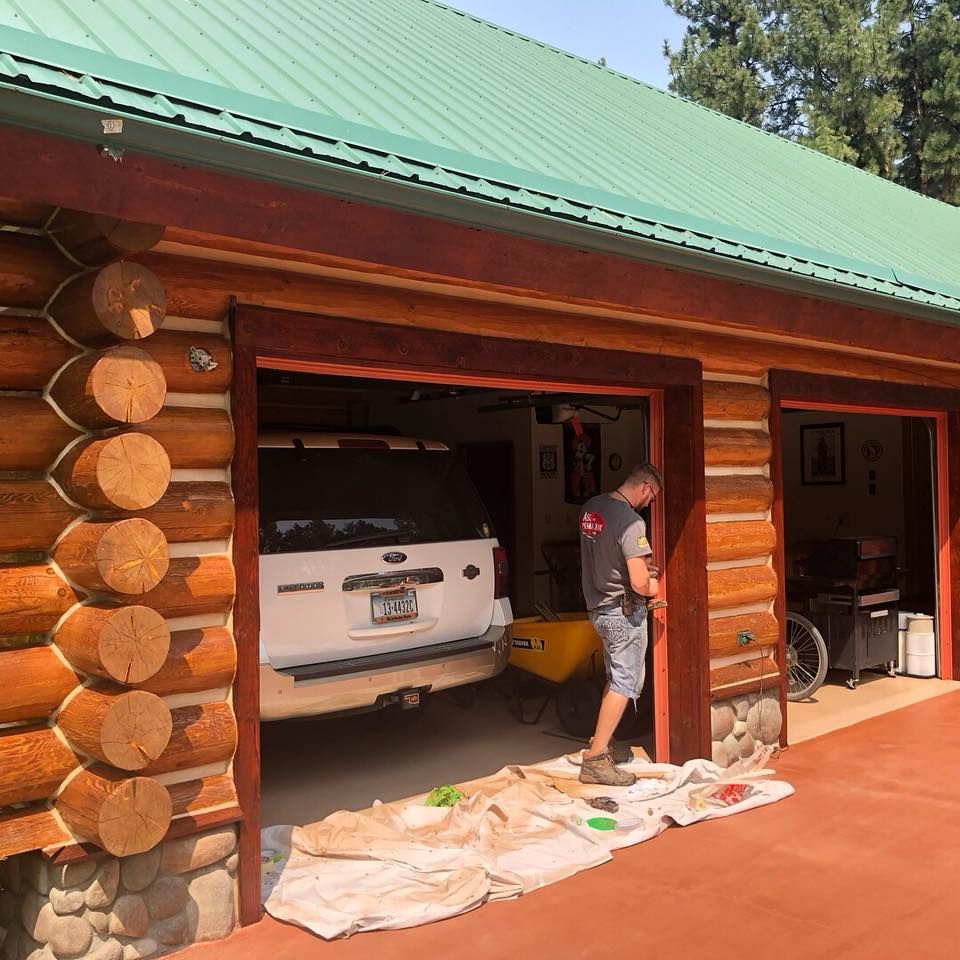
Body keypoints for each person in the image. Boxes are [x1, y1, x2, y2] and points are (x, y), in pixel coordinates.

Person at [577, 463, 662, 786]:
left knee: (614, 678)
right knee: (625, 683)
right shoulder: (631, 522)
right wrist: (654, 585)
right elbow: (641, 583)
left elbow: (606, 555)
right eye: (652, 497)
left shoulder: (591, 508)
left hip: (598, 608)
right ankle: (596, 760)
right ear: (644, 487)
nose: (649, 504)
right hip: (622, 612)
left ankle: (603, 742)